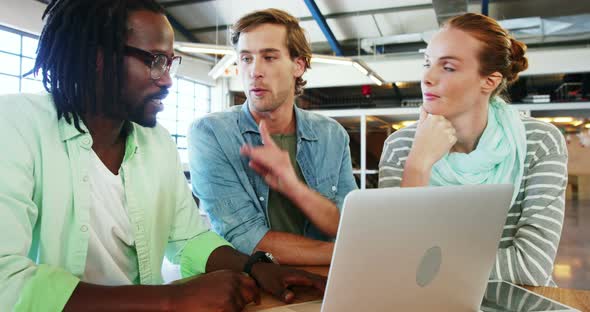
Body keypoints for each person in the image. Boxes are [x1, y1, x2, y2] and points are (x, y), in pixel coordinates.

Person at [0, 1, 325, 311]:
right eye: (155, 61)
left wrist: (257, 267)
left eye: (170, 62)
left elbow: (187, 238)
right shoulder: (15, 126)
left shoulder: (155, 142)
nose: (168, 79)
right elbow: (6, 280)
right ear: (98, 59)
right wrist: (171, 300)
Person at [378, 13, 567, 287]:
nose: (427, 78)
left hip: (517, 301)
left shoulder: (539, 141)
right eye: (428, 63)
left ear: (489, 81)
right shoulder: (401, 146)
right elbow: (392, 258)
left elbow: (531, 265)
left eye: (448, 67)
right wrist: (417, 166)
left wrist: (423, 263)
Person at [188, 9, 357, 265]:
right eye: (246, 58)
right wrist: (343, 254)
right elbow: (244, 238)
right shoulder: (211, 134)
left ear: (298, 66)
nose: (255, 71)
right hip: (253, 287)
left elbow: (344, 224)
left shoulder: (331, 135)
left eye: (269, 57)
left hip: (327, 281)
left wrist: (294, 187)